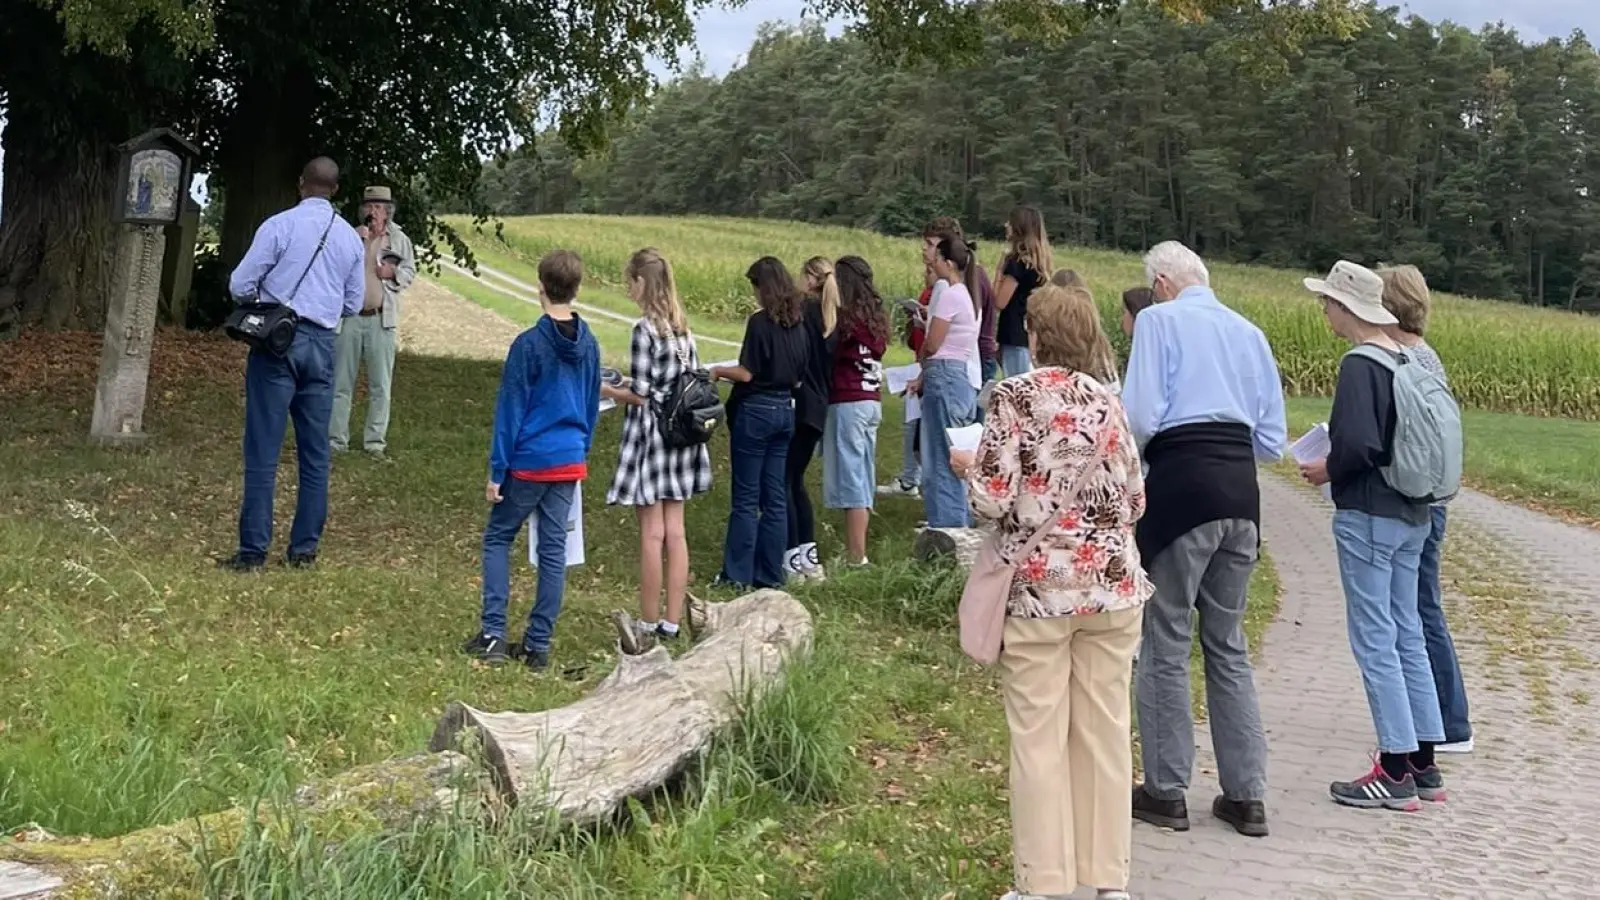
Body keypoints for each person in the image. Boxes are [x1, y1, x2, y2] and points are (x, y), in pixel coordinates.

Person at [951, 284, 1151, 900]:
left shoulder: (1013, 396)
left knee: (1038, 738)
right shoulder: (1107, 402)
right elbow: (1137, 498)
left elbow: (991, 500)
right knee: (1106, 734)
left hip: (1040, 593)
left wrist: (969, 470)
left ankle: (1043, 883)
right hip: (1114, 588)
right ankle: (1108, 880)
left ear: (1035, 336)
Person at [1123, 240, 1284, 838]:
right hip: (1241, 492)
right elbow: (1272, 437)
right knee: (1226, 642)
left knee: (1164, 636)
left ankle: (1166, 789)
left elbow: (1140, 415)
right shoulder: (1250, 332)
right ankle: (1247, 795)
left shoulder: (1159, 322)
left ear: (1161, 282)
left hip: (1183, 483)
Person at [1298, 260, 1447, 810]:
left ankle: (1392, 769)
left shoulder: (1361, 363)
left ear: (1346, 308)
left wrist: (1325, 469)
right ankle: (1425, 762)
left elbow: (1359, 446)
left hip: (1369, 514)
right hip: (1413, 512)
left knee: (1374, 637)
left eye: (1328, 303)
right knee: (1408, 632)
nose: (1325, 312)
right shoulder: (1409, 357)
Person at [220, 157, 364, 571]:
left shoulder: (279, 226)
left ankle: (252, 552)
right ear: (335, 189)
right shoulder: (349, 239)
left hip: (277, 342)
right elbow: (353, 302)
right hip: (321, 343)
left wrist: (269, 295)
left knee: (263, 448)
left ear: (301, 184)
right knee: (315, 452)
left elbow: (239, 284)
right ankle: (303, 550)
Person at [462, 250, 599, 670]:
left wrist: (497, 471)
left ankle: (493, 634)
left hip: (529, 460)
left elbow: (511, 411)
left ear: (539, 285)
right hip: (568, 458)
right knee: (553, 550)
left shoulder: (529, 345)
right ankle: (538, 645)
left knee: (498, 537)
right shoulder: (590, 343)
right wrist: (581, 447)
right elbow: (592, 402)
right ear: (576, 289)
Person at [1376, 264, 1473, 754]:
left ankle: (1448, 721)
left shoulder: (1409, 362)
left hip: (1419, 503)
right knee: (1420, 607)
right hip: (1434, 499)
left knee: (1419, 610)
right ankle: (1437, 716)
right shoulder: (1425, 356)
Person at [604, 248, 713, 641]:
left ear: (641, 283)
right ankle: (671, 621)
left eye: (629, 282)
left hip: (652, 436)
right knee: (676, 531)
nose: (627, 289)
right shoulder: (684, 330)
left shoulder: (643, 330)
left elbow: (645, 394)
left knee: (651, 532)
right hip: (682, 439)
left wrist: (609, 389)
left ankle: (647, 621)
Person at [711, 257, 811, 589]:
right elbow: (800, 376)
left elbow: (747, 372)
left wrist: (718, 372)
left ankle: (736, 574)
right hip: (786, 407)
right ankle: (770, 574)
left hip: (755, 410)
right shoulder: (798, 322)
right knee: (775, 498)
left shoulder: (759, 323)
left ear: (761, 287)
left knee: (746, 498)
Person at [329, 186, 416, 458]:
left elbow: (410, 272)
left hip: (381, 320)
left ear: (388, 211)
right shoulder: (351, 235)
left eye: (379, 206)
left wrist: (393, 273)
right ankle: (335, 440)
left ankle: (375, 442)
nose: (373, 211)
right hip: (350, 318)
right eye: (369, 206)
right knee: (341, 383)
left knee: (381, 385)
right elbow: (332, 269)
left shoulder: (398, 239)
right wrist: (356, 241)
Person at [908, 236, 981, 528]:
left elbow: (934, 342)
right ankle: (960, 520)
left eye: (937, 258)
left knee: (940, 457)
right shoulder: (967, 294)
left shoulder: (950, 294)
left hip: (945, 375)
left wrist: (924, 346)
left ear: (948, 263)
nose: (932, 263)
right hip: (959, 375)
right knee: (955, 453)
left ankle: (947, 528)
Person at [823, 256, 888, 567]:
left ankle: (856, 555)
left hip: (848, 398)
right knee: (863, 474)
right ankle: (857, 551)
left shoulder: (845, 320)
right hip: (871, 398)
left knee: (852, 480)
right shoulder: (873, 317)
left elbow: (827, 349)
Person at [785, 256, 839, 582]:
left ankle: (790, 553)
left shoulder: (803, 313)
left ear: (809, 278)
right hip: (820, 406)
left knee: (785, 481)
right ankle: (809, 551)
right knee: (798, 481)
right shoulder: (831, 318)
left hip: (799, 402)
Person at [993, 206, 1053, 377]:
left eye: (1010, 223)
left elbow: (999, 302)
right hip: (1029, 333)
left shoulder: (1016, 263)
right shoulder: (1037, 264)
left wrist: (999, 272)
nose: (1006, 225)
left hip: (1013, 334)